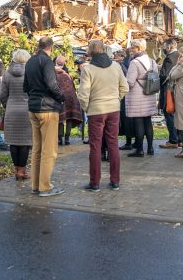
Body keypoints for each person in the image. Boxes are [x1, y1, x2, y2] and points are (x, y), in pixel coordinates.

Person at [78, 40, 129, 191]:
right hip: (113, 109)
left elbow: (83, 94)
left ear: (90, 52)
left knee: (95, 146)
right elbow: (124, 87)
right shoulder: (116, 66)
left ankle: (95, 183)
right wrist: (115, 100)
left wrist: (87, 108)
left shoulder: (88, 69)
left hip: (96, 110)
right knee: (113, 144)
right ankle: (115, 181)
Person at [24, 37, 65, 196]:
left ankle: (35, 185)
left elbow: (25, 86)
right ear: (51, 48)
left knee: (37, 149)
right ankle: (45, 186)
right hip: (47, 108)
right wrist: (62, 97)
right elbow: (51, 84)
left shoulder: (30, 61)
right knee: (49, 150)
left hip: (33, 107)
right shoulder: (46, 62)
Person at [0, 49, 32, 181]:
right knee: (24, 142)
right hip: (26, 110)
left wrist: (7, 106)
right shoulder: (30, 73)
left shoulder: (7, 74)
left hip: (11, 110)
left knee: (13, 142)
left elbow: (2, 95)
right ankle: (22, 171)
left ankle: (16, 170)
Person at [125, 39, 159, 157]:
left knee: (138, 122)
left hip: (137, 96)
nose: (131, 49)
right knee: (148, 122)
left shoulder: (134, 62)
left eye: (133, 47)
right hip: (149, 94)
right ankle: (150, 148)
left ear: (139, 48)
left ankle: (139, 149)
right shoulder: (152, 61)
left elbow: (130, 82)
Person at [54, 55, 83, 146]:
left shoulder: (52, 74)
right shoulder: (67, 74)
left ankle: (60, 139)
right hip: (71, 98)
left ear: (55, 62)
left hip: (60, 98)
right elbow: (73, 87)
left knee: (60, 119)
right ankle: (67, 138)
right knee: (69, 118)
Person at [158, 39, 180, 150]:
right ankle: (180, 139)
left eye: (164, 46)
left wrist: (158, 73)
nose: (163, 49)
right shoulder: (179, 56)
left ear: (169, 47)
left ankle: (173, 140)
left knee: (169, 114)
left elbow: (163, 75)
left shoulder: (169, 58)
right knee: (176, 116)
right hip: (176, 89)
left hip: (168, 90)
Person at [118, 48, 134, 150]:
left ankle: (128, 142)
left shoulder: (122, 63)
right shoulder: (137, 62)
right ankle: (137, 141)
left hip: (126, 93)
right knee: (136, 119)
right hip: (137, 94)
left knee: (126, 118)